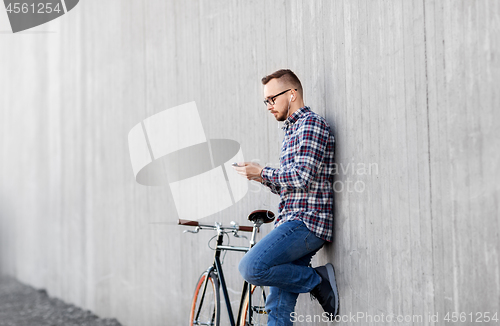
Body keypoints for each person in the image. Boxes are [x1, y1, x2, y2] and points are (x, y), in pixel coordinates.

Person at [232, 69, 339, 325]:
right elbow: (290, 186)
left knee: (251, 268)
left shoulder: (311, 124)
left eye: (272, 99)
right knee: (278, 312)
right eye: (265, 101)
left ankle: (316, 281)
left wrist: (264, 171)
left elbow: (302, 177)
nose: (268, 106)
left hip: (306, 223)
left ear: (291, 94)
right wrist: (261, 177)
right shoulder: (290, 132)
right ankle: (313, 280)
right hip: (291, 221)